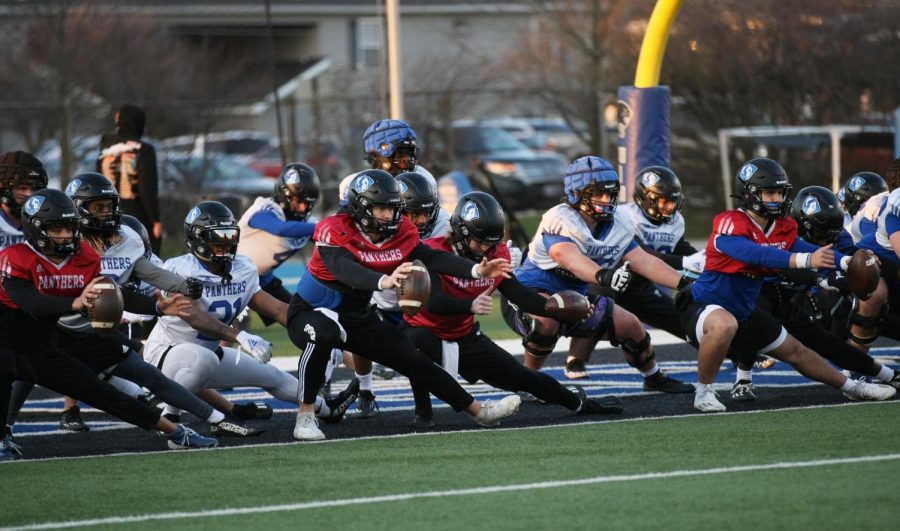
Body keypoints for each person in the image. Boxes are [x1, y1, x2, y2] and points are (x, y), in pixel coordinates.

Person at [287, 169, 521, 441]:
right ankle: (305, 417)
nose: (390, 216)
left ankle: (479, 411)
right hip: (310, 310)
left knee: (412, 357)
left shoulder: (402, 232)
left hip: (356, 315)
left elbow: (432, 257)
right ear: (361, 207)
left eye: (392, 209)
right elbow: (344, 270)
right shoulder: (333, 228)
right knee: (323, 331)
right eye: (382, 209)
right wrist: (383, 280)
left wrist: (476, 271)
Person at [0, 189, 218, 457]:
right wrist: (75, 302)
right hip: (4, 339)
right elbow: (28, 301)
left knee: (101, 393)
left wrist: (157, 307)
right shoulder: (15, 256)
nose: (66, 235)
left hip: (39, 348)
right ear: (36, 229)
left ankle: (177, 432)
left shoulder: (84, 258)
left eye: (70, 227)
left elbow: (111, 292)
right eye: (57, 228)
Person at [676, 158, 895, 412]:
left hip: (744, 311)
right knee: (724, 323)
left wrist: (845, 262)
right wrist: (806, 261)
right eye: (770, 192)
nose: (777, 199)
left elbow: (805, 248)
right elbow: (755, 254)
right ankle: (704, 393)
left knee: (797, 351)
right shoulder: (730, 221)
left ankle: (853, 388)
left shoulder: (782, 227)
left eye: (780, 193)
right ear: (749, 193)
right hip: (702, 305)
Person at [401, 192, 624, 428]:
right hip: (424, 329)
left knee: (520, 376)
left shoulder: (496, 254)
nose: (486, 249)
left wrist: (558, 308)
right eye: (480, 242)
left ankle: (576, 402)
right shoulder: (433, 251)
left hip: (463, 334)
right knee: (416, 345)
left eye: (492, 243)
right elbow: (432, 302)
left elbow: (521, 296)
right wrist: (469, 305)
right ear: (460, 232)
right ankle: (423, 409)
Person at [143, 201, 359, 427]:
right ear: (198, 238)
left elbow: (277, 309)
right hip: (165, 357)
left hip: (208, 355)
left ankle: (327, 410)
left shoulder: (242, 268)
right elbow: (194, 317)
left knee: (273, 376)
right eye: (218, 236)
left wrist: (318, 332)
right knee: (203, 359)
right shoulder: (179, 269)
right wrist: (239, 336)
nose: (226, 243)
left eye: (229, 235)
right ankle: (171, 415)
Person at [502, 156, 695, 394]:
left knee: (631, 326)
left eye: (610, 194)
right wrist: (604, 276)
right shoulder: (560, 217)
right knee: (547, 319)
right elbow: (568, 258)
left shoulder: (619, 222)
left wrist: (684, 283)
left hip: (576, 299)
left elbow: (644, 261)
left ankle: (653, 377)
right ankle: (530, 382)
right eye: (598, 194)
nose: (606, 200)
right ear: (577, 193)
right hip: (528, 294)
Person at [564, 165, 703, 379]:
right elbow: (641, 253)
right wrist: (685, 262)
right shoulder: (624, 216)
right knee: (599, 306)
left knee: (680, 317)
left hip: (640, 286)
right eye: (663, 200)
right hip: (610, 279)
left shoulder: (676, 223)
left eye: (673, 200)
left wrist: (699, 260)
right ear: (645, 198)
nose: (669, 207)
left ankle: (736, 352)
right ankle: (576, 360)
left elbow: (678, 248)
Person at [0, 151, 48, 459]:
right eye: (21, 188)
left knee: (35, 362)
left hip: (27, 308)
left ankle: (6, 426)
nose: (28, 196)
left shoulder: (42, 220)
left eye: (34, 189)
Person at [237, 162, 320, 317]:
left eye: (307, 203)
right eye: (298, 201)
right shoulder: (264, 208)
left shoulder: (309, 223)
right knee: (228, 322)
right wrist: (323, 228)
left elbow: (331, 239)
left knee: (298, 318)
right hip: (233, 276)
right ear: (284, 194)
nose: (303, 208)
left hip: (263, 279)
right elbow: (280, 228)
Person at [97, 104, 161, 254]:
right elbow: (147, 189)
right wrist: (155, 220)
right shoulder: (144, 150)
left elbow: (96, 180)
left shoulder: (105, 148)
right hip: (137, 217)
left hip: (106, 215)